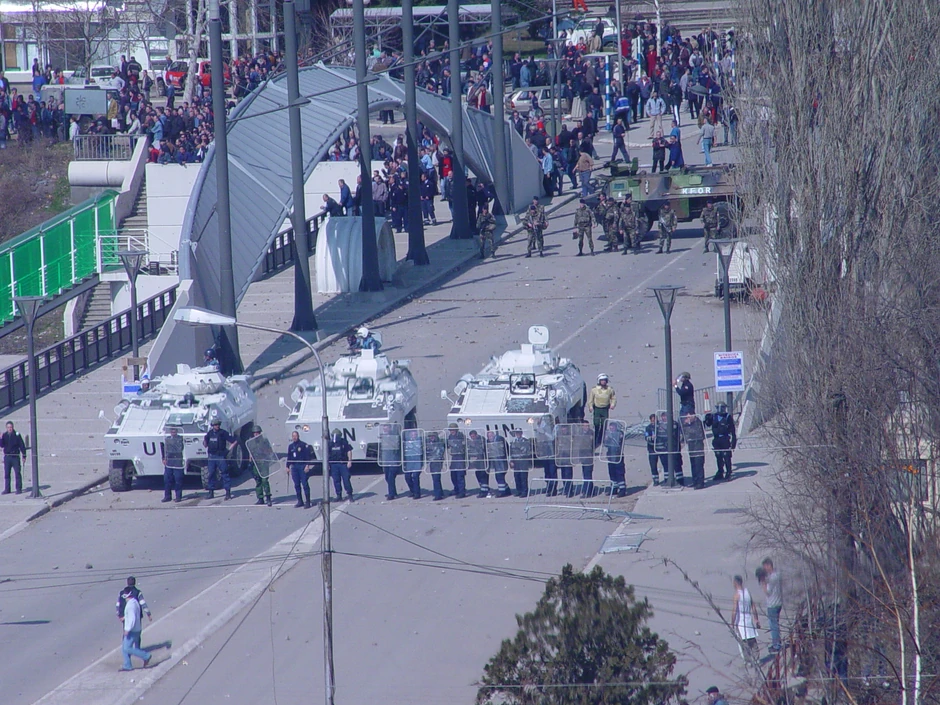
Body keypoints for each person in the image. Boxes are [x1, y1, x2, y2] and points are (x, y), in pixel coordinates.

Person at [203, 419, 235, 500]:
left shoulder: (223, 433)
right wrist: (205, 441)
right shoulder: (210, 433)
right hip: (211, 456)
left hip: (220, 456)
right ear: (212, 425)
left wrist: (228, 451)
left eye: (218, 424)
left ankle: (228, 493)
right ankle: (211, 492)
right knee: (211, 474)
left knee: (224, 473)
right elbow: (205, 444)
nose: (217, 426)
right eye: (215, 425)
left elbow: (234, 441)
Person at [120, 590, 152, 671]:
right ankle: (127, 665)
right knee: (124, 648)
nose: (125, 598)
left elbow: (132, 619)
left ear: (128, 596)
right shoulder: (135, 602)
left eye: (125, 596)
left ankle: (146, 656)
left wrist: (127, 630)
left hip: (132, 631)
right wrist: (125, 618)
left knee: (127, 648)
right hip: (137, 629)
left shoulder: (130, 606)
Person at [704, 401, 736, 481]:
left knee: (726, 456)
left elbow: (732, 430)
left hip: (725, 438)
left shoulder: (728, 417)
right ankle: (720, 471)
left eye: (722, 408)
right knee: (718, 455)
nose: (720, 410)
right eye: (719, 408)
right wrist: (707, 419)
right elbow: (707, 425)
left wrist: (733, 441)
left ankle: (728, 472)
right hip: (716, 439)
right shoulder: (714, 416)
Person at [732, 574, 761, 662]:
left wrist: (732, 622)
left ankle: (748, 661)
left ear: (735, 583)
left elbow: (734, 610)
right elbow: (753, 606)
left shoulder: (737, 595)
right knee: (753, 641)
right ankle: (757, 659)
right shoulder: (747, 592)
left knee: (744, 643)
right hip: (749, 620)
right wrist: (756, 619)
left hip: (741, 622)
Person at [758, 557, 783, 652]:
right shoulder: (777, 574)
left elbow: (768, 591)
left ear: (769, 565)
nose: (764, 569)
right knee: (775, 624)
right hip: (779, 602)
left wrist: (763, 582)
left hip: (772, 604)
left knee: (773, 625)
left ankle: (776, 645)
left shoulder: (772, 578)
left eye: (765, 567)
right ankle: (777, 642)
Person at [654, 412, 685, 485]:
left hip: (674, 448)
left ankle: (680, 480)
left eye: (665, 416)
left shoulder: (674, 424)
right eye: (663, 417)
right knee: (665, 465)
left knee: (677, 464)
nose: (664, 418)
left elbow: (676, 434)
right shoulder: (658, 425)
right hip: (663, 449)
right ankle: (667, 479)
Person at [586, 374, 616, 448]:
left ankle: (601, 439)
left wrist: (612, 405)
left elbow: (613, 398)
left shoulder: (610, 390)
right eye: (602, 380)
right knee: (596, 424)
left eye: (604, 380)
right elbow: (590, 399)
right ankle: (595, 439)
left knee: (604, 424)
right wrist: (590, 407)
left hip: (605, 409)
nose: (603, 382)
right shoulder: (594, 390)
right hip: (597, 409)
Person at [287, 430, 314, 508]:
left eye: (295, 436)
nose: (294, 437)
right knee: (296, 485)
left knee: (305, 484)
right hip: (294, 467)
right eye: (293, 436)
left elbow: (307, 456)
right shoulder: (291, 446)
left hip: (302, 466)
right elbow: (289, 457)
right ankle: (300, 501)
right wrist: (287, 466)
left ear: (298, 436)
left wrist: (307, 465)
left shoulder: (303, 445)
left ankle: (308, 502)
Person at [327, 428, 355, 502]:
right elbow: (327, 454)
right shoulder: (330, 443)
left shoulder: (344, 442)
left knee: (346, 479)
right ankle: (339, 495)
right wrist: (327, 464)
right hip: (333, 464)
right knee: (336, 480)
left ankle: (349, 494)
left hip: (343, 463)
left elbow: (349, 451)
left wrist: (349, 461)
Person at [681, 413, 706, 489]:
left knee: (699, 466)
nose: (687, 418)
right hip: (691, 448)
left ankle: (700, 483)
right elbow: (686, 433)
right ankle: (695, 481)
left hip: (698, 448)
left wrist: (688, 423)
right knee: (693, 466)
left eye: (689, 416)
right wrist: (685, 424)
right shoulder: (689, 425)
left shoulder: (698, 423)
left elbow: (696, 433)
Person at [248, 425, 273, 506]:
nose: (256, 434)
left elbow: (269, 451)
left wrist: (264, 452)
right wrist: (250, 459)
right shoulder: (251, 442)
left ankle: (268, 497)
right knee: (258, 481)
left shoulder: (264, 441)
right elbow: (250, 452)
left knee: (265, 481)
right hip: (256, 463)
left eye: (257, 433)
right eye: (254, 433)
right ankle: (260, 498)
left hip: (263, 463)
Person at [1, 420, 27, 494]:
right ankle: (7, 489)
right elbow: (2, 445)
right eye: (8, 427)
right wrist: (0, 438)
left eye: (11, 427)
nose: (10, 429)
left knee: (17, 473)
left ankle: (18, 489)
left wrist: (24, 455)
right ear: (6, 428)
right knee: (7, 474)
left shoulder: (17, 435)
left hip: (15, 457)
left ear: (13, 427)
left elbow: (22, 445)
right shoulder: (5, 435)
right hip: (7, 457)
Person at [603, 420, 626, 497]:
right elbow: (605, 445)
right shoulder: (608, 435)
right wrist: (606, 439)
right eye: (610, 427)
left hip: (618, 455)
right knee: (612, 473)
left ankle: (622, 490)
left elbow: (621, 442)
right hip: (610, 456)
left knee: (619, 472)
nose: (612, 429)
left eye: (613, 427)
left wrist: (620, 437)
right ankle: (614, 488)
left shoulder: (620, 434)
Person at [161, 426, 185, 503]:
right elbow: (164, 449)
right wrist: (163, 458)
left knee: (178, 479)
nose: (173, 433)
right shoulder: (167, 439)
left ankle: (178, 496)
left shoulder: (180, 438)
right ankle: (167, 496)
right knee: (167, 480)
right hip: (169, 461)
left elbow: (178, 448)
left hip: (177, 461)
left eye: (174, 431)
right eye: (172, 431)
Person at [486, 429, 511, 498]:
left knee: (499, 477)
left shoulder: (500, 439)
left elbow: (507, 448)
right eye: (488, 436)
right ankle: (507, 490)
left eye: (491, 435)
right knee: (499, 477)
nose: (490, 437)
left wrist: (507, 458)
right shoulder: (488, 442)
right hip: (496, 463)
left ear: (494, 435)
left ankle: (502, 492)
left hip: (502, 462)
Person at [379, 423, 401, 500]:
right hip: (386, 460)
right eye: (384, 428)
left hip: (393, 460)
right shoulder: (383, 436)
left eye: (386, 427)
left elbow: (396, 446)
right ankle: (394, 492)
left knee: (391, 477)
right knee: (387, 478)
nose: (385, 429)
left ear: (390, 428)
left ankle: (391, 494)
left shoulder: (394, 436)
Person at [445, 423, 468, 499]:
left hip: (460, 457)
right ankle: (456, 489)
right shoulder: (450, 436)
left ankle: (462, 492)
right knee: (453, 475)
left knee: (460, 475)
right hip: (454, 457)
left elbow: (464, 445)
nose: (452, 431)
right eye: (451, 430)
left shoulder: (461, 436)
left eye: (453, 430)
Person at [508, 428, 533, 497]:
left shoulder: (525, 441)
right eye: (516, 433)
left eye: (519, 433)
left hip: (523, 461)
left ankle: (525, 492)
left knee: (523, 477)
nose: (518, 434)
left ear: (521, 433)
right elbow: (510, 452)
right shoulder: (513, 442)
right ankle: (519, 491)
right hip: (515, 462)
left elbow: (527, 451)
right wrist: (510, 461)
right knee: (517, 477)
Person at [402, 428, 424, 499]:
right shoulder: (406, 442)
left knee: (415, 477)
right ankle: (412, 490)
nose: (414, 436)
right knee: (407, 477)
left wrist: (422, 462)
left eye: (415, 434)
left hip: (417, 462)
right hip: (409, 462)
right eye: (412, 434)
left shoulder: (420, 441)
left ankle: (417, 494)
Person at [467, 429, 488, 497]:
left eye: (473, 436)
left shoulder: (481, 440)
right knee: (478, 474)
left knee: (483, 475)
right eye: (471, 437)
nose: (472, 438)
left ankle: (484, 491)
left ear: (476, 435)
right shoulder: (474, 441)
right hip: (478, 461)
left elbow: (481, 450)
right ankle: (483, 488)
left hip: (483, 460)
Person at [426, 431, 446, 500]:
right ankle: (440, 492)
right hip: (432, 462)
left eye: (433, 436)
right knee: (435, 478)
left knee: (436, 478)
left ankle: (438, 495)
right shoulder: (429, 443)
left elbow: (440, 452)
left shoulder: (439, 443)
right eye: (430, 436)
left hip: (437, 461)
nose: (431, 438)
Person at [644, 414, 662, 485]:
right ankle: (655, 480)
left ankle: (667, 478)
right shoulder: (648, 428)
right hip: (652, 449)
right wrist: (651, 437)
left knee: (665, 463)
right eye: (652, 420)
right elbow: (646, 437)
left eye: (655, 420)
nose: (654, 421)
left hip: (660, 448)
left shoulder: (660, 426)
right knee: (653, 465)